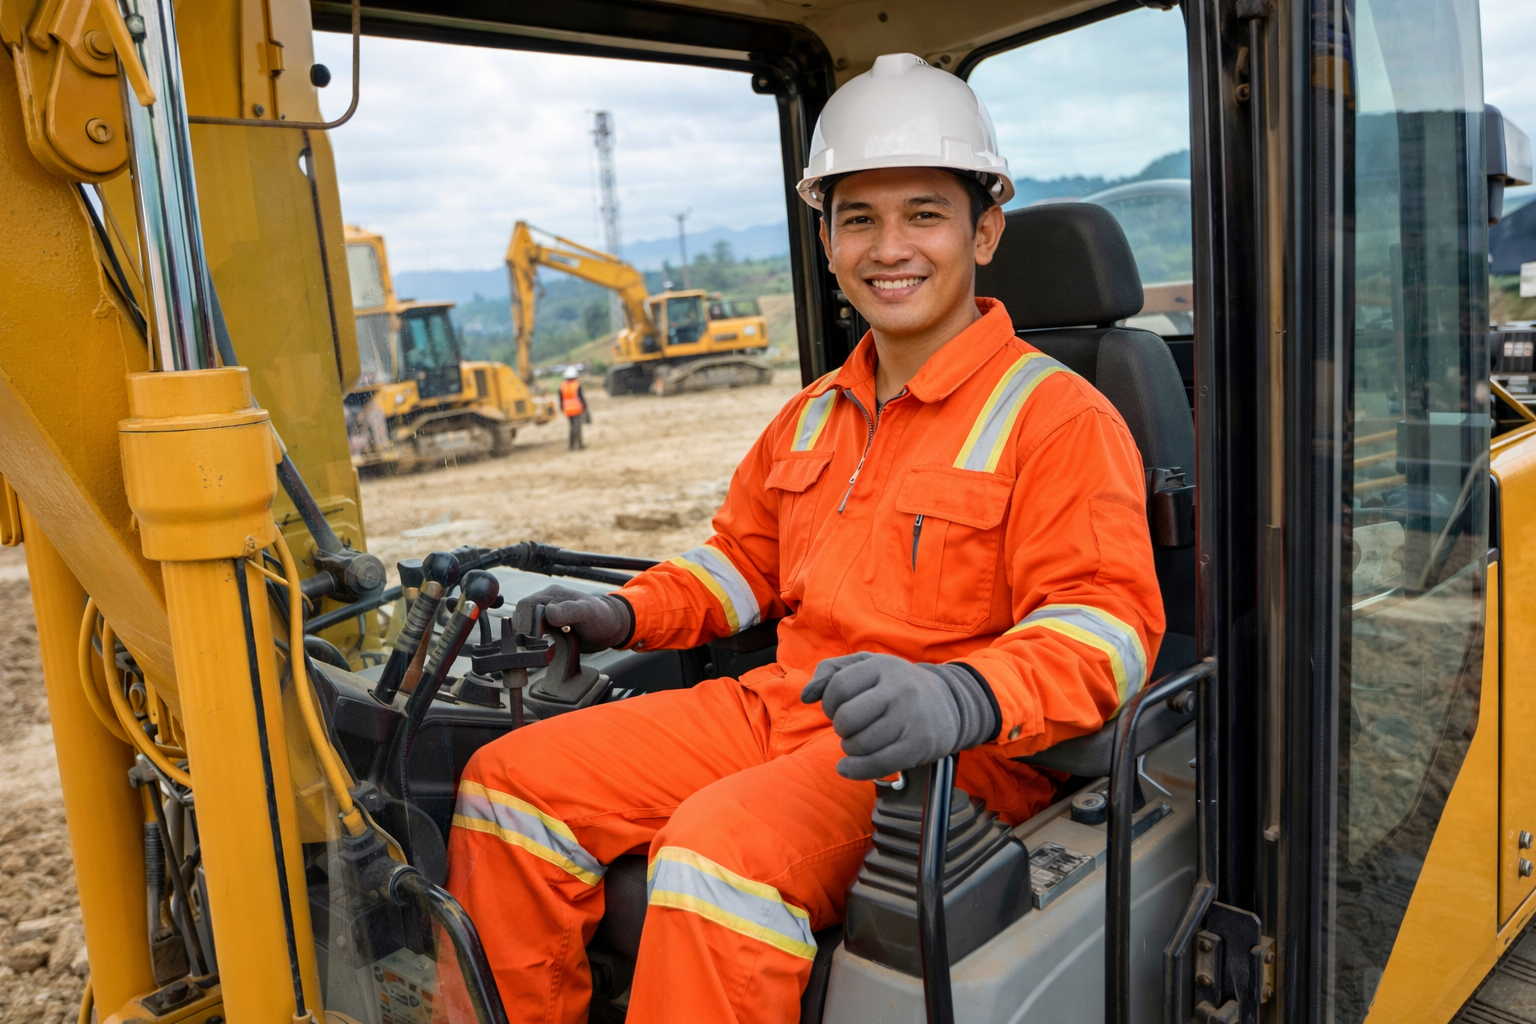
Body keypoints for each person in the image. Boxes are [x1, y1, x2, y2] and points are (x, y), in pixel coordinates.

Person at [446, 52, 1164, 1024]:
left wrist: (961, 691)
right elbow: (740, 567)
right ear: (825, 240)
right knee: (508, 785)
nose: (889, 246)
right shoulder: (814, 415)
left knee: (713, 857)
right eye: (857, 218)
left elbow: (1106, 630)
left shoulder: (1058, 418)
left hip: (948, 757)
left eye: (924, 213)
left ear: (983, 229)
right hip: (782, 707)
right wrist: (624, 610)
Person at [559, 366, 588, 450]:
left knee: (571, 428)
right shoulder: (576, 385)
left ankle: (571, 446)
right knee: (577, 428)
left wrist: (562, 408)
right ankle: (579, 445)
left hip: (567, 410)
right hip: (577, 409)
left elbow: (561, 399)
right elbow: (581, 397)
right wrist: (585, 407)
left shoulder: (562, 386)